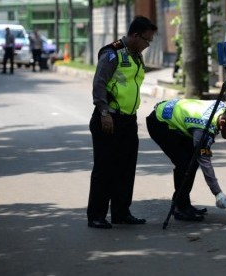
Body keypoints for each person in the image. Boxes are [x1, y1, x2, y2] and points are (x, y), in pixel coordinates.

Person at [87, 16, 157, 229]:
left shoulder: (136, 56)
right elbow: (99, 84)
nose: (148, 45)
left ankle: (121, 212)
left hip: (128, 120)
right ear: (136, 35)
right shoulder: (112, 53)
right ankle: (96, 216)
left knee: (126, 169)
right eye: (147, 40)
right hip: (108, 119)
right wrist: (104, 112)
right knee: (104, 168)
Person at [146, 99, 226, 221]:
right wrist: (217, 193)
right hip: (160, 123)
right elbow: (205, 162)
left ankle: (182, 203)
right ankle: (180, 208)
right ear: (222, 122)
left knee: (192, 161)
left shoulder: (225, 109)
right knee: (185, 164)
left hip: (174, 115)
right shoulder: (202, 129)